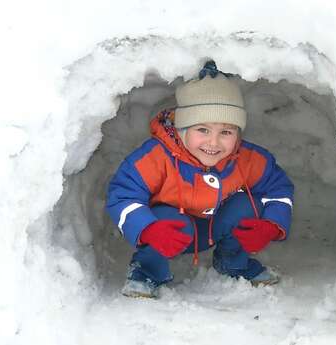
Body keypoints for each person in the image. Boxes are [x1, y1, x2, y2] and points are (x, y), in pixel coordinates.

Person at [106, 61, 294, 298]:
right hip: (172, 231)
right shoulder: (156, 156)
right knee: (163, 217)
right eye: (202, 130)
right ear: (182, 128)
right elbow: (123, 195)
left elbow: (278, 189)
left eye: (226, 132)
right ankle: (147, 272)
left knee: (249, 204)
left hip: (217, 225)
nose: (213, 143)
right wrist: (148, 229)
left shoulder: (246, 158)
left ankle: (232, 262)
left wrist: (271, 226)